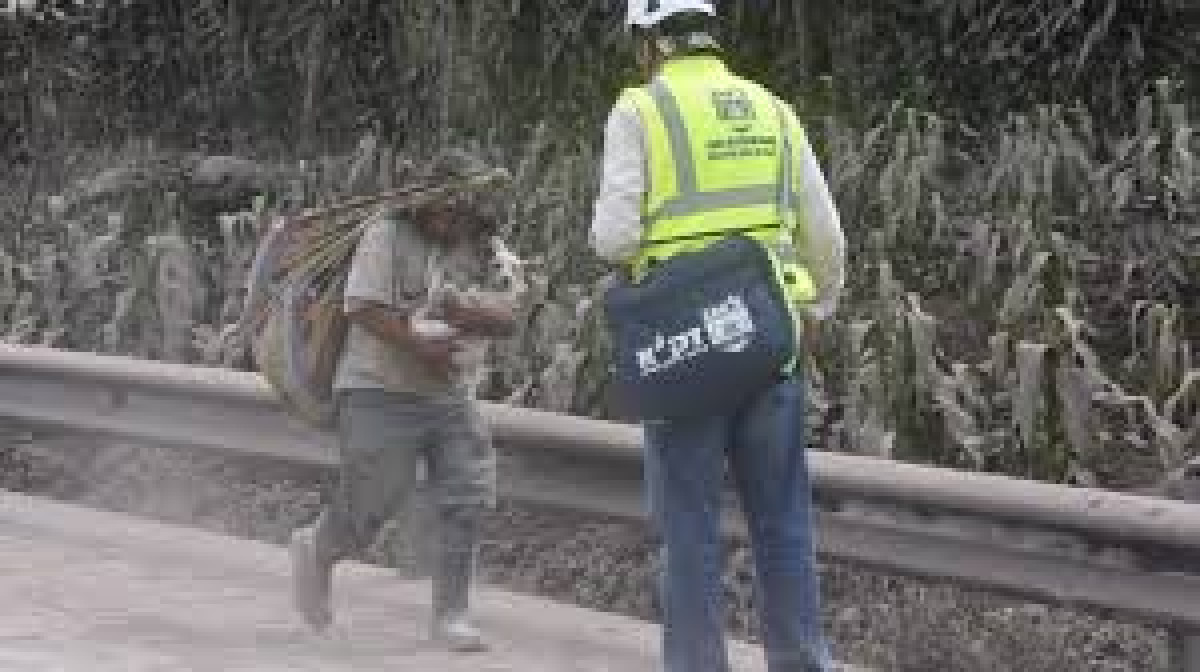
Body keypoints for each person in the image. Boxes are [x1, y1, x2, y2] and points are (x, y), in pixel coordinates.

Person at [589, 2, 847, 671]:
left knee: (690, 535)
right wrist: (814, 312)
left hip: (685, 355)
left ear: (650, 43)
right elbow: (828, 238)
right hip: (769, 345)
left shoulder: (639, 111)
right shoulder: (772, 108)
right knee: (783, 524)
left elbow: (613, 237)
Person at [289, 150, 518, 652]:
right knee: (373, 502)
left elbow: (510, 314)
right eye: (440, 207)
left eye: (458, 209)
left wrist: (465, 312)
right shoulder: (386, 235)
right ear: (422, 203)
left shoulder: (487, 248)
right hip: (378, 389)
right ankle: (317, 549)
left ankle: (451, 614)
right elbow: (363, 305)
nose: (448, 218)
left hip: (450, 394)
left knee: (466, 495)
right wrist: (420, 344)